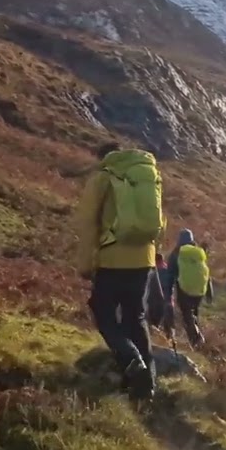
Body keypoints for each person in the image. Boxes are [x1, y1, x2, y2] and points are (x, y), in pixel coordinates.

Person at [74, 141, 165, 398]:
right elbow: (160, 222)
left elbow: (88, 223)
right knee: (135, 317)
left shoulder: (103, 177)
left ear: (103, 157)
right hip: (143, 260)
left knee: (102, 310)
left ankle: (130, 360)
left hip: (113, 259)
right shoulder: (148, 175)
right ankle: (147, 385)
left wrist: (85, 264)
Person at [167, 229, 213, 348]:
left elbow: (170, 274)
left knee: (187, 315)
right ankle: (197, 340)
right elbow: (206, 273)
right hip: (199, 289)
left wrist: (167, 293)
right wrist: (209, 292)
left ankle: (196, 339)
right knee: (194, 312)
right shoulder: (198, 252)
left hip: (184, 289)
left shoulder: (176, 254)